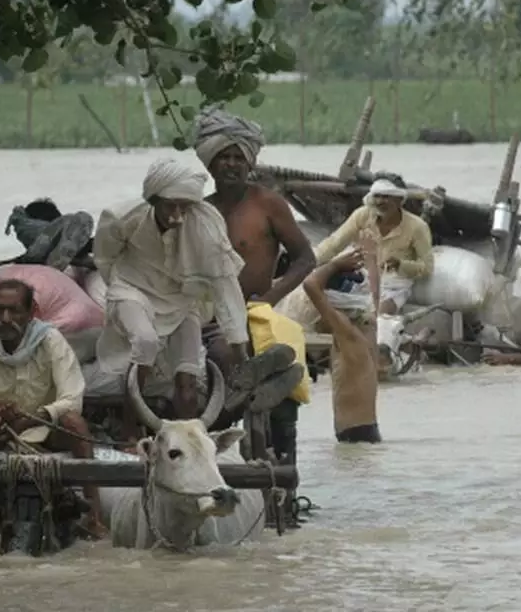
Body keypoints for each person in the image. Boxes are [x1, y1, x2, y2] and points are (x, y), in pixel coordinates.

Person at [94, 157, 290, 426]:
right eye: (169, 207)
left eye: (183, 207)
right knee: (146, 342)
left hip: (181, 299)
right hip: (132, 290)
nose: (177, 216)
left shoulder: (204, 224)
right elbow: (105, 259)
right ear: (154, 200)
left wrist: (240, 348)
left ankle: (191, 437)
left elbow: (224, 283)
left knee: (187, 375)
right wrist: (119, 293)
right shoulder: (122, 217)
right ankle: (130, 432)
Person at [193, 106, 314, 436]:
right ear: (210, 162)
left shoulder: (268, 204)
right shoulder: (202, 210)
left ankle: (233, 425)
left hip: (254, 315)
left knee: (229, 355)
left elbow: (305, 258)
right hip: (208, 316)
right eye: (223, 157)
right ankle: (214, 432)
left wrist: (268, 299)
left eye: (237, 157)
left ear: (250, 162)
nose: (231, 164)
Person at [0, 277, 106, 538]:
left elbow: (72, 395)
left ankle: (94, 516)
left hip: (45, 428)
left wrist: (34, 418)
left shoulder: (50, 340)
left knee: (75, 423)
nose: (5, 318)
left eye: (14, 311)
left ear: (31, 313)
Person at [313, 179, 435, 314]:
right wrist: (312, 261)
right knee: (316, 285)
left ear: (399, 200)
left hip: (394, 284)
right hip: (363, 275)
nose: (380, 202)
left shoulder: (417, 227)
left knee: (381, 314)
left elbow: (427, 267)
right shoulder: (363, 215)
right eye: (377, 196)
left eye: (386, 197)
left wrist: (400, 264)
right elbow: (335, 243)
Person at [302, 250, 381, 444]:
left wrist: (335, 265)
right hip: (363, 434)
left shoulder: (350, 336)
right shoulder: (366, 328)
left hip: (356, 436)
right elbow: (374, 295)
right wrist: (371, 259)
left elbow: (310, 285)